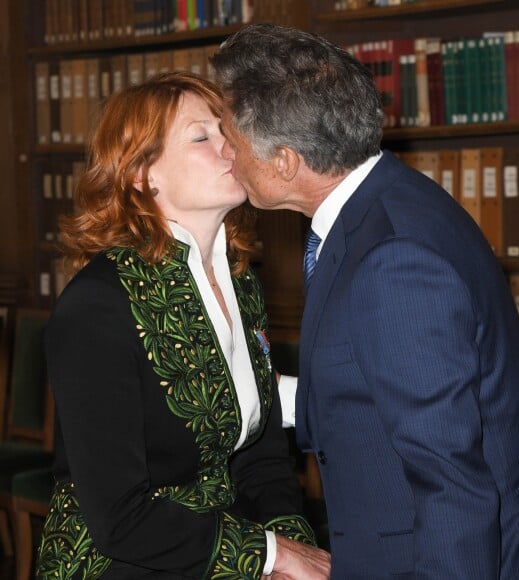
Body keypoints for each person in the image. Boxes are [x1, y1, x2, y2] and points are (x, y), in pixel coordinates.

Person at [210, 24, 519, 579]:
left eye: (229, 140)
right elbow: (377, 388)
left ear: (285, 161)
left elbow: (452, 480)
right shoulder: (378, 206)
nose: (225, 156)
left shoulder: (395, 257)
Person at [36, 71, 331, 580]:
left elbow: (261, 455)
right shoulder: (97, 305)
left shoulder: (241, 283)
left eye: (227, 132)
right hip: (118, 562)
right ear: (140, 174)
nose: (230, 149)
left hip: (221, 541)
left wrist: (291, 545)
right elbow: (120, 518)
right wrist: (270, 554)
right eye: (202, 137)